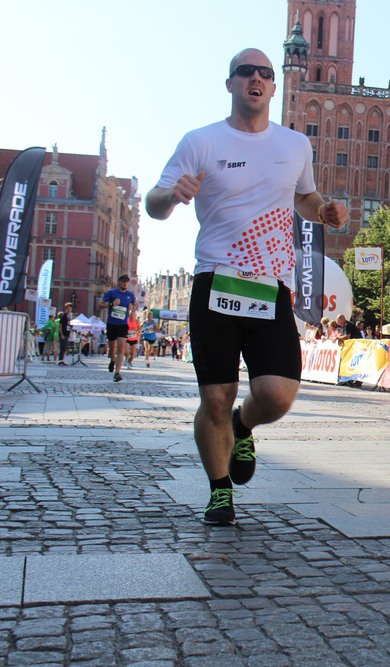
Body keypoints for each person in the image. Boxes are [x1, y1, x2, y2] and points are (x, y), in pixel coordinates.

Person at [145, 47, 349, 526]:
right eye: (245, 72)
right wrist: (171, 195)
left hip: (269, 285)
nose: (255, 78)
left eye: (265, 73)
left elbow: (304, 196)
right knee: (215, 397)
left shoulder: (295, 145)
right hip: (215, 279)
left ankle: (243, 424)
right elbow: (153, 203)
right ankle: (219, 492)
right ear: (231, 83)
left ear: (274, 87)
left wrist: (323, 211)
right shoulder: (201, 141)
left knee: (277, 394)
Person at [98, 274, 136, 382]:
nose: (125, 283)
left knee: (120, 349)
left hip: (123, 325)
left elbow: (133, 306)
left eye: (126, 282)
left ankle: (117, 372)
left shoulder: (130, 295)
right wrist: (111, 304)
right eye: (123, 281)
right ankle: (112, 360)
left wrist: (132, 311)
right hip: (112, 324)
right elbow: (100, 305)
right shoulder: (111, 293)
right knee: (112, 350)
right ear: (119, 282)